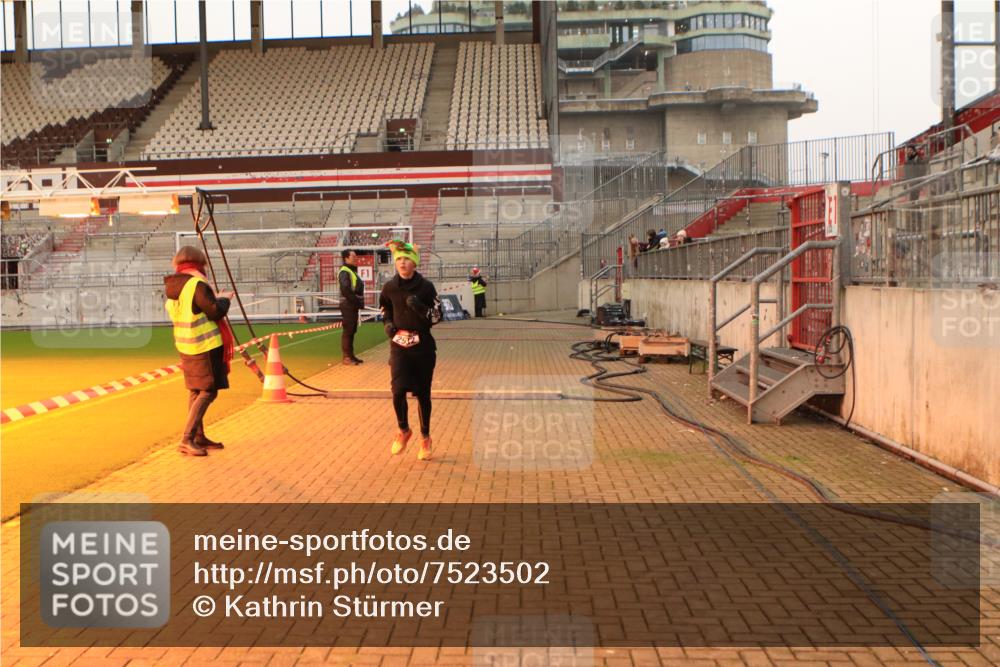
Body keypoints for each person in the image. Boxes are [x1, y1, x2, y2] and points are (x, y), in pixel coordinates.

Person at [164, 246, 233, 457]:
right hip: (205, 346)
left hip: (186, 345)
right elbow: (214, 311)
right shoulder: (196, 284)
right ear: (199, 262)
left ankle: (198, 436)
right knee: (208, 391)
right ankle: (187, 439)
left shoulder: (174, 286)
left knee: (196, 390)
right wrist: (224, 299)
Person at [379, 240, 439, 461]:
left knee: (423, 394)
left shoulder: (426, 287)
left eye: (407, 259)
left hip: (422, 345)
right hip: (399, 345)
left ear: (414, 263)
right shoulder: (389, 287)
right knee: (397, 390)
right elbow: (384, 309)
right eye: (399, 260)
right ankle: (404, 430)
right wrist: (387, 324)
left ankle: (425, 438)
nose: (402, 263)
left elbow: (437, 317)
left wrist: (420, 307)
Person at [339, 248, 365, 365]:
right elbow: (345, 290)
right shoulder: (345, 271)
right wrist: (356, 301)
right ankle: (347, 357)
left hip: (352, 304)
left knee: (352, 330)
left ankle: (351, 355)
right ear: (346, 258)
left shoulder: (351, 271)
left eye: (356, 257)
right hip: (348, 304)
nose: (356, 259)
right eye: (353, 257)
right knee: (348, 331)